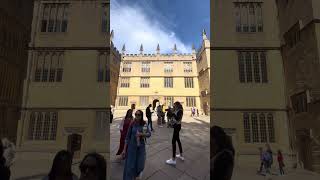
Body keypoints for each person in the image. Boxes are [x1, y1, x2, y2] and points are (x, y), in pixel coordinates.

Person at [122, 110, 151, 180]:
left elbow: (149, 134)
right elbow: (127, 137)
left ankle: (136, 175)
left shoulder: (144, 124)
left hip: (140, 147)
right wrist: (124, 150)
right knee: (130, 166)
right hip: (131, 147)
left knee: (140, 165)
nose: (137, 116)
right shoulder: (132, 123)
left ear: (141, 116)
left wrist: (141, 134)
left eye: (139, 115)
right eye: (136, 114)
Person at [166, 101, 184, 165]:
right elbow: (172, 116)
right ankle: (181, 155)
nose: (174, 107)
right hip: (176, 126)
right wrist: (171, 112)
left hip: (177, 127)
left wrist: (173, 114)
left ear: (177, 105)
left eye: (174, 105)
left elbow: (178, 119)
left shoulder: (180, 111)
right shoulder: (177, 110)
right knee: (178, 140)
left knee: (173, 141)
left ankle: (173, 159)